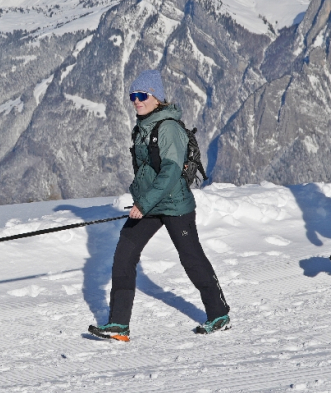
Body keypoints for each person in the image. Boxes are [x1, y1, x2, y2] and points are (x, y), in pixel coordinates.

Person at [88, 70, 230, 341]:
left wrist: (144, 204)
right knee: (124, 257)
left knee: (192, 259)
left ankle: (218, 313)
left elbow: (171, 172)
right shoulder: (142, 128)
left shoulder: (169, 129)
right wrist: (143, 200)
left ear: (157, 98)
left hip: (175, 205)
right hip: (149, 204)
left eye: (142, 95)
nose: (136, 101)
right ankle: (118, 324)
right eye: (133, 96)